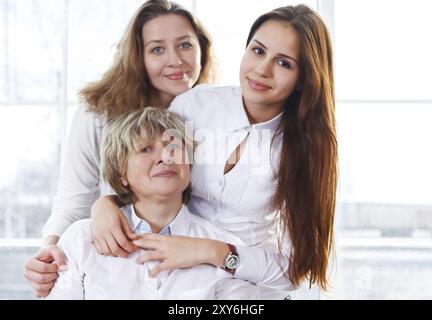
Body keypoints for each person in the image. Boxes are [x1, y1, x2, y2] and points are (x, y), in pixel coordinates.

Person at [28, 4, 338, 297]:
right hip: (178, 276)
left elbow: (298, 270)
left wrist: (210, 251)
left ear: (304, 78)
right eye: (257, 50)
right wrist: (106, 204)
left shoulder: (305, 150)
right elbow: (151, 172)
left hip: (250, 285)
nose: (262, 69)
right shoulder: (194, 105)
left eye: (284, 63)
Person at [24, 0, 217, 298]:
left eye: (185, 45)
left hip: (194, 274)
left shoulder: (217, 118)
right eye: (157, 49)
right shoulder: (98, 114)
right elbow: (72, 202)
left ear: (202, 49)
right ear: (137, 57)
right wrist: (51, 251)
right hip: (116, 270)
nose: (176, 60)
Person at [46, 108, 256, 300]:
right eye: (145, 149)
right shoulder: (81, 239)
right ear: (122, 175)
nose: (165, 156)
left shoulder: (225, 248)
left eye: (173, 146)